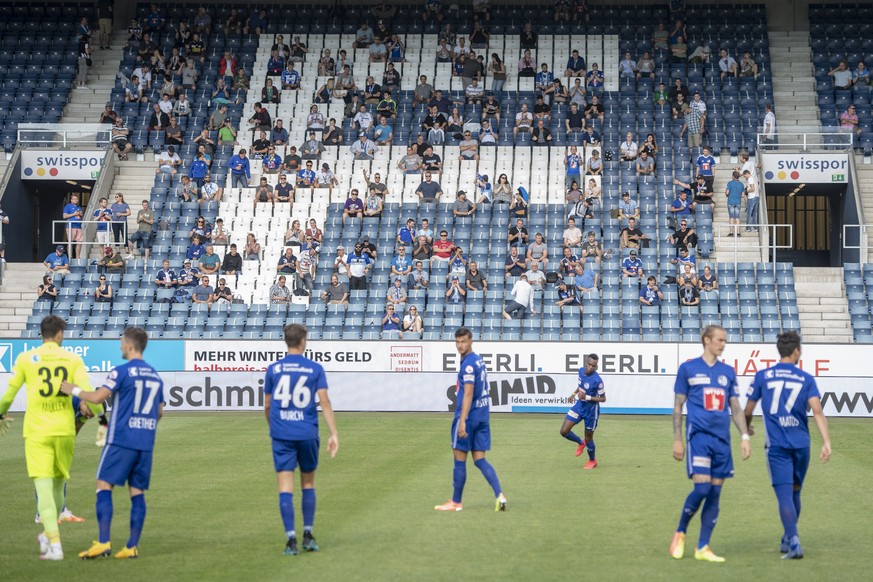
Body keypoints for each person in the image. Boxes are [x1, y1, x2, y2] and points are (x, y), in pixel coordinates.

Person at [0, 315, 103, 561]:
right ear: (59, 334)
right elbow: (89, 393)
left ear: (43, 333)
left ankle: (54, 543)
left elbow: (9, 394)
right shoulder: (72, 358)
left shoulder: (26, 358)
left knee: (43, 484)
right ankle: (49, 534)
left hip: (37, 430)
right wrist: (102, 420)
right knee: (58, 483)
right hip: (65, 430)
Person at [60, 327, 163, 560]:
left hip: (121, 440)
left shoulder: (121, 372)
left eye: (121, 342)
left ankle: (103, 542)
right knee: (137, 492)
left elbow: (97, 398)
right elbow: (160, 412)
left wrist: (72, 389)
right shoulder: (155, 376)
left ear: (129, 345)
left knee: (103, 486)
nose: (119, 346)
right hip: (145, 442)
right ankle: (131, 547)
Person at [742, 331, 832, 560]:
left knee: (784, 495)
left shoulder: (763, 376)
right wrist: (826, 442)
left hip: (778, 446)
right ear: (796, 351)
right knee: (795, 492)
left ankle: (794, 541)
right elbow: (818, 411)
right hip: (802, 445)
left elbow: (748, 410)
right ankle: (787, 535)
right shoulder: (805, 378)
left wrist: (747, 428)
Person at [670, 325, 751, 563]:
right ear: (706, 340)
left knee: (715, 493)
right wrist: (677, 439)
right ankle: (680, 532)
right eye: (719, 340)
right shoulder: (688, 369)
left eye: (725, 340)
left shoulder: (728, 371)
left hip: (723, 441)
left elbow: (735, 407)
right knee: (702, 489)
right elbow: (677, 407)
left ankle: (703, 547)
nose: (723, 344)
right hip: (699, 438)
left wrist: (744, 436)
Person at [261, 324, 339, 555]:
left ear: (286, 341)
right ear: (303, 341)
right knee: (308, 483)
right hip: (306, 433)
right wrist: (333, 433)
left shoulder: (273, 369)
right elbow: (324, 402)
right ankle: (307, 534)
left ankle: (290, 540)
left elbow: (266, 405)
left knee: (285, 486)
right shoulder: (314, 368)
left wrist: (274, 427)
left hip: (282, 433)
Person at [434, 327, 507, 512]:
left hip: (469, 416)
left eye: (463, 341)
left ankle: (456, 502)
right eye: (457, 342)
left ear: (471, 341)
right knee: (480, 459)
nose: (460, 345)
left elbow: (468, 393)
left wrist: (463, 421)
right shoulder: (479, 360)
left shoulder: (467, 365)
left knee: (459, 458)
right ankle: (500, 495)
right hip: (483, 416)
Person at [559, 354, 605, 469]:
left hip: (591, 411)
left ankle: (592, 461)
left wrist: (587, 397)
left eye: (593, 366)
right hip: (579, 407)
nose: (590, 367)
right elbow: (580, 386)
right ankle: (581, 442)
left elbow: (603, 398)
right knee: (564, 431)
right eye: (589, 364)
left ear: (596, 366)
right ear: (586, 363)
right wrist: (574, 394)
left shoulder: (598, 381)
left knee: (589, 437)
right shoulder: (580, 371)